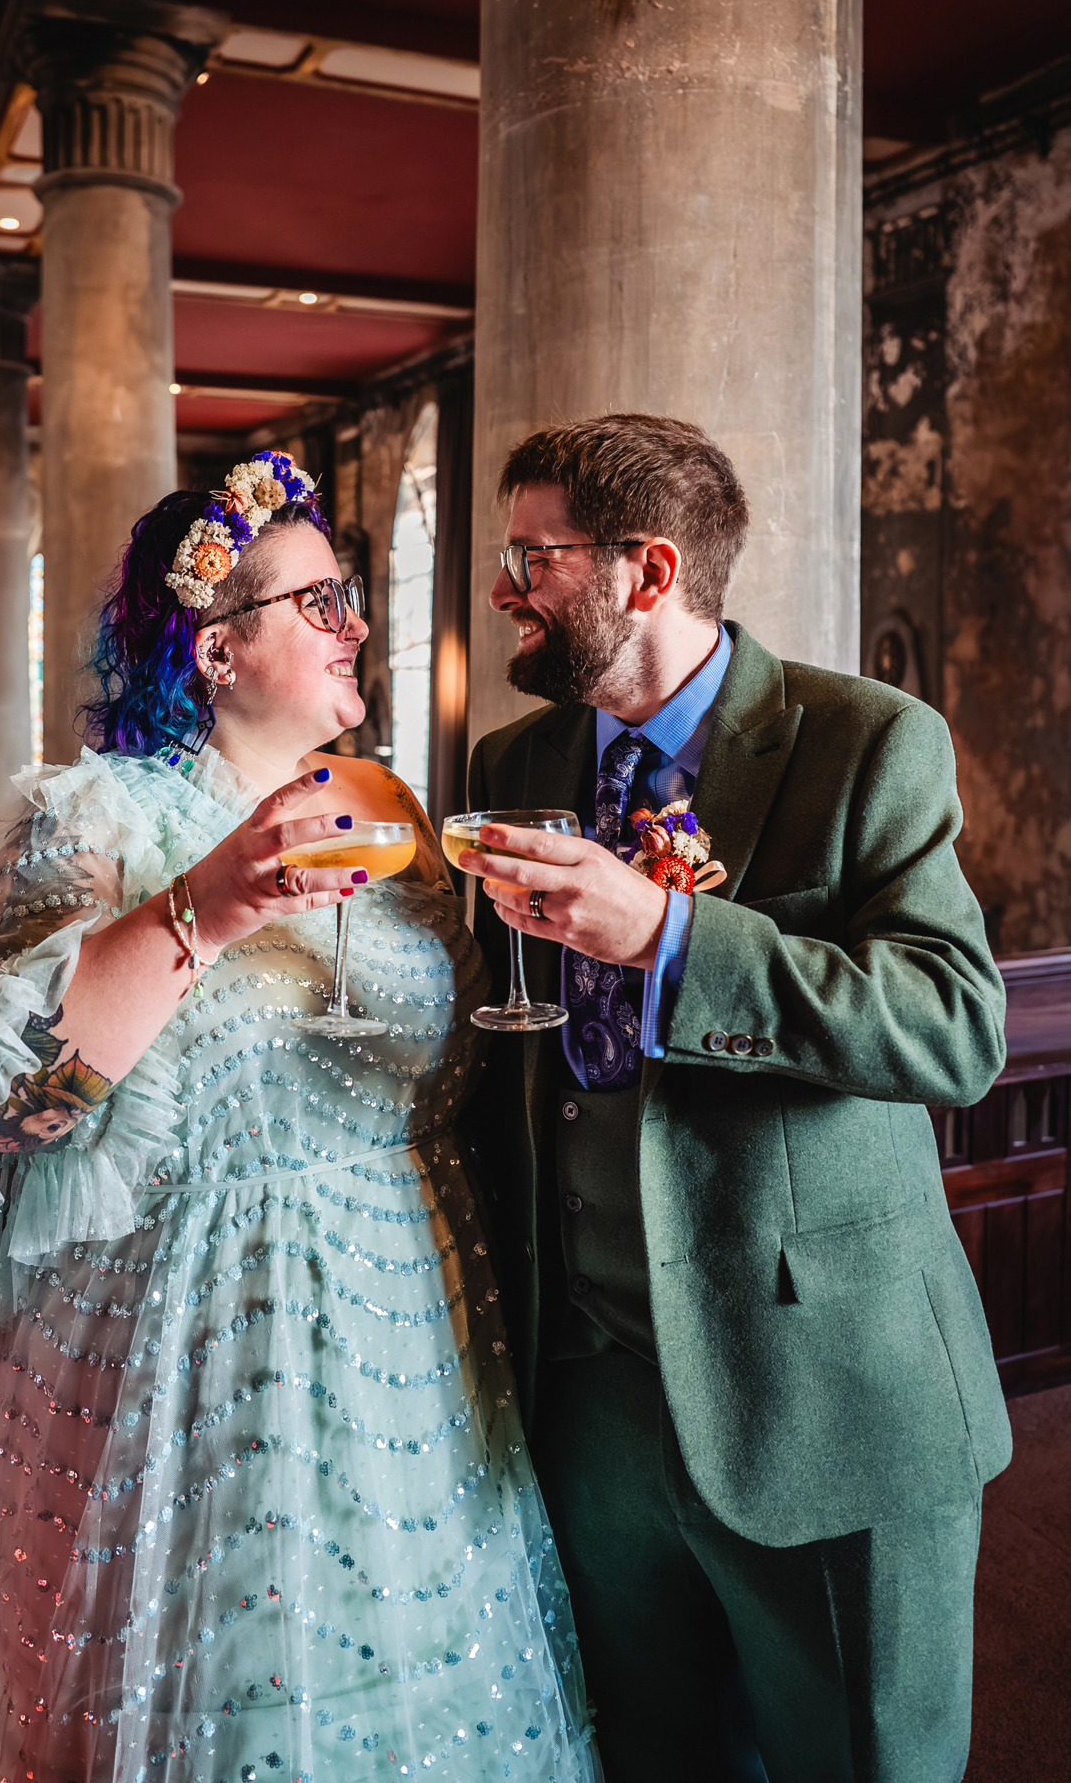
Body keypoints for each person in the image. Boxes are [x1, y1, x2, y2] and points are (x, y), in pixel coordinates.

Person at [0, 455, 598, 1783]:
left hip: (413, 1312)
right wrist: (209, 904)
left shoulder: (393, 817)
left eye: (353, 595)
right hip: (202, 1339)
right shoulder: (99, 819)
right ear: (216, 648)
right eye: (320, 600)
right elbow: (1, 1118)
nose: (357, 623)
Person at [459, 413, 1011, 1783]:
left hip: (823, 1387)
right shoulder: (513, 768)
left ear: (648, 571)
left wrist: (669, 935)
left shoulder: (866, 741)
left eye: (535, 558)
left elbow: (953, 1031)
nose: (505, 588)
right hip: (586, 1392)